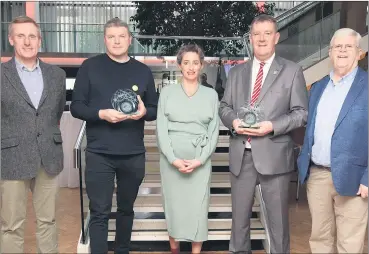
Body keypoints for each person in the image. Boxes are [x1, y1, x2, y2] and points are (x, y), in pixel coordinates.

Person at [219, 14, 308, 253]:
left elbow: (301, 114)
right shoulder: (236, 73)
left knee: (278, 227)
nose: (261, 39)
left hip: (275, 156)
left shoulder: (292, 71)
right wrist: (234, 121)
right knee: (239, 225)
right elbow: (224, 107)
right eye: (256, 34)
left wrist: (273, 126)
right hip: (241, 157)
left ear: (276, 37)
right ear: (250, 38)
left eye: (267, 33)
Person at [70, 17, 158, 254]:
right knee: (99, 211)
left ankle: (122, 250)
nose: (117, 41)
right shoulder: (90, 67)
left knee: (126, 209)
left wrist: (142, 113)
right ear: (105, 40)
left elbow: (154, 109)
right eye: (111, 37)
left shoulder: (142, 71)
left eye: (121, 36)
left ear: (130, 40)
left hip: (133, 154)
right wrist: (100, 114)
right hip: (100, 154)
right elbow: (76, 106)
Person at [297, 28, 368, 253]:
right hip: (317, 175)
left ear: (359, 52)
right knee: (319, 239)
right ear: (330, 52)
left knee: (350, 243)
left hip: (356, 179)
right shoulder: (317, 88)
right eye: (338, 46)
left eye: (349, 46)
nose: (343, 51)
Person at [1, 16, 66, 253]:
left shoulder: (56, 75)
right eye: (21, 36)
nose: (27, 42)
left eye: (32, 36)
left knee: (48, 221)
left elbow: (55, 113)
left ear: (40, 40)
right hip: (11, 159)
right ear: (11, 39)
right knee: (11, 225)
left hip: (48, 157)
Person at [156, 44, 220, 254]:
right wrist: (173, 158)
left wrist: (200, 159)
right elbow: (161, 130)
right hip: (171, 162)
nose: (191, 67)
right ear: (179, 65)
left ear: (201, 65)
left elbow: (213, 133)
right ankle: (174, 250)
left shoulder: (211, 95)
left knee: (198, 209)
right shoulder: (166, 93)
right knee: (173, 208)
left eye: (195, 62)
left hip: (200, 163)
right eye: (186, 63)